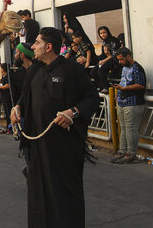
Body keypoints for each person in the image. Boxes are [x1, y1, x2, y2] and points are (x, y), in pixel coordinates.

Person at [11, 27, 99, 227]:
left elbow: (92, 98)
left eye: (37, 43)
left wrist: (73, 112)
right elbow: (25, 97)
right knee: (36, 191)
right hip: (36, 145)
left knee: (64, 192)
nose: (33, 47)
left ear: (48, 47)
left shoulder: (71, 69)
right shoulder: (34, 69)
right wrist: (17, 108)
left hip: (64, 148)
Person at [111, 48, 147, 164]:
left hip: (133, 102)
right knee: (124, 128)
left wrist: (123, 89)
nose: (120, 62)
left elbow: (140, 85)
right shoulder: (125, 68)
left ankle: (131, 153)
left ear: (128, 56)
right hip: (123, 101)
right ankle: (122, 151)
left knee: (131, 128)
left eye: (121, 59)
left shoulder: (137, 68)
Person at [90, 26, 122, 93]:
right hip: (107, 59)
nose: (103, 35)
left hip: (115, 60)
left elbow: (114, 55)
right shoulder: (104, 42)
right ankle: (100, 86)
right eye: (101, 33)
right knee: (93, 72)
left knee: (101, 71)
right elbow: (103, 55)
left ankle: (107, 87)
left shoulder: (114, 40)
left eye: (104, 33)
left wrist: (105, 59)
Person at [0, 63, 12, 134]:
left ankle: (11, 128)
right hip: (3, 98)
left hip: (7, 98)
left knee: (9, 113)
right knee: (5, 113)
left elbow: (8, 86)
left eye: (1, 68)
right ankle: (7, 127)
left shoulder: (8, 77)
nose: (1, 70)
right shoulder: (3, 77)